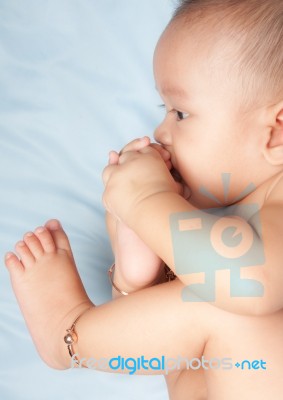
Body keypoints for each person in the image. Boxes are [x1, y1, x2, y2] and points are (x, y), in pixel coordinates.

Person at [4, 0, 283, 398]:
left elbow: (249, 284)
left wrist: (147, 200)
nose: (160, 130)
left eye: (180, 114)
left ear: (276, 132)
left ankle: (70, 337)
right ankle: (138, 279)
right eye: (163, 109)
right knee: (204, 283)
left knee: (223, 297)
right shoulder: (240, 213)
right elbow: (166, 344)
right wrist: (137, 268)